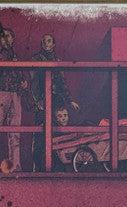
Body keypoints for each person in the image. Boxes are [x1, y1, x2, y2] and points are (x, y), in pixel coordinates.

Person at [30, 34, 79, 172]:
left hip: (56, 101)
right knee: (40, 135)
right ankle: (37, 168)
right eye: (44, 41)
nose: (46, 43)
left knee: (58, 136)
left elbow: (62, 83)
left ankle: (58, 167)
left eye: (49, 41)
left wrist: (70, 100)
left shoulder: (57, 61)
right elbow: (34, 83)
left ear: (53, 44)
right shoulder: (36, 59)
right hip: (43, 101)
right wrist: (38, 101)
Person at [0, 24, 28, 172]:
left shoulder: (15, 55)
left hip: (15, 94)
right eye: (2, 36)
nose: (5, 39)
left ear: (13, 39)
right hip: (0, 93)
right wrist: (5, 64)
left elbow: (21, 75)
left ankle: (16, 165)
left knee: (15, 133)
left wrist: (23, 81)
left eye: (8, 36)